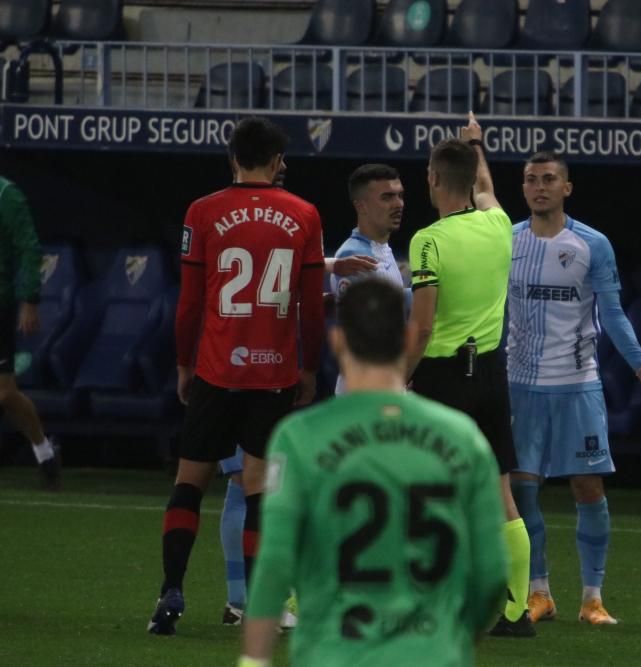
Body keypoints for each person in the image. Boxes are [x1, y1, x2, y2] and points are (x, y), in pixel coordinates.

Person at [240, 279, 508, 667]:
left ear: (336, 341)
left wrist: (253, 661)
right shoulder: (462, 438)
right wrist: (453, 637)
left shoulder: (300, 437)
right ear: (407, 338)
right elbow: (491, 574)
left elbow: (275, 562)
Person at [148, 117, 326, 635]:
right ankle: (259, 607)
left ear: (232, 158)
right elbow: (310, 311)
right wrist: (309, 368)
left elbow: (188, 305)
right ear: (275, 162)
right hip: (273, 376)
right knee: (259, 489)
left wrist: (184, 364)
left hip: (215, 371)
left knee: (189, 483)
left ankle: (171, 590)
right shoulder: (305, 215)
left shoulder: (201, 212)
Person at [507, 152, 641, 626]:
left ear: (567, 188)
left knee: (588, 486)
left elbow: (613, 312)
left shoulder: (592, 244)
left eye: (548, 179)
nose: (538, 187)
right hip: (520, 385)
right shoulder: (507, 240)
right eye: (530, 180)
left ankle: (592, 598)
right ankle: (539, 593)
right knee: (523, 493)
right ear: (522, 188)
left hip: (576, 385)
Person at [215, 156, 376, 628]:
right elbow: (267, 271)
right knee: (248, 485)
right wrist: (331, 268)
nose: (281, 170)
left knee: (243, 486)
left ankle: (240, 599)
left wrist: (322, 293)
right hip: (246, 365)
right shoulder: (275, 216)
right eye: (276, 164)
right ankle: (247, 599)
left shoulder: (223, 214)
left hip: (239, 364)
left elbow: (273, 284)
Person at [405, 113, 533, 637]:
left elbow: (423, 323)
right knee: (501, 493)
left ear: (433, 179)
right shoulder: (499, 224)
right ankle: (515, 612)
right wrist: (478, 144)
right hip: (490, 375)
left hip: (443, 375)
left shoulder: (427, 242)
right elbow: (486, 186)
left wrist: (398, 378)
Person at [330, 163, 410, 395]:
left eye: (400, 196)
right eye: (387, 197)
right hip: (363, 388)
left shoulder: (381, 247)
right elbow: (371, 328)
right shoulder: (353, 256)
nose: (398, 204)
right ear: (361, 206)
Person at [0, 175, 59, 489]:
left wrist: (30, 300)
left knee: (5, 392)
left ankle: (44, 452)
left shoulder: (7, 196)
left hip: (1, 302)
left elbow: (29, 249)